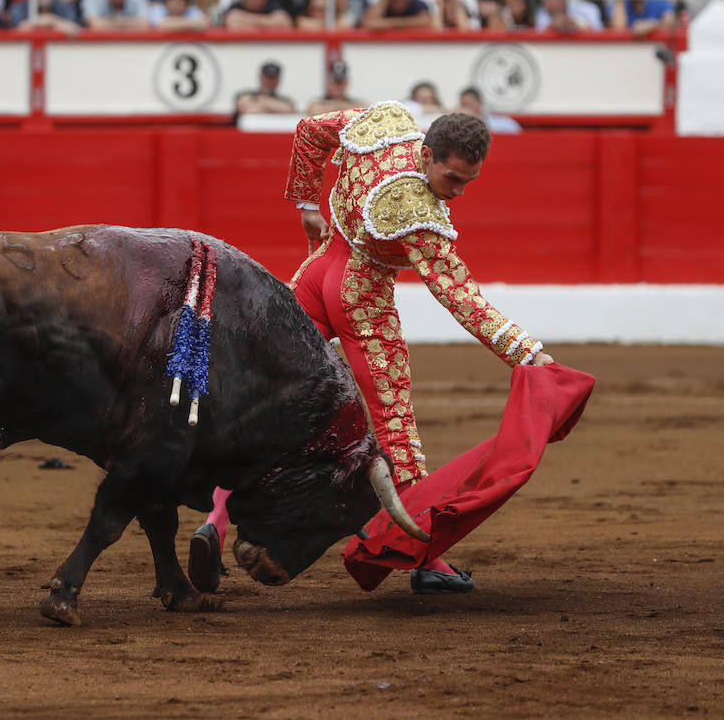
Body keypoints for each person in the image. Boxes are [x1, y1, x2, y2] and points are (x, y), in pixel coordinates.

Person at [189, 107, 553, 596]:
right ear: (426, 155)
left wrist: (305, 203)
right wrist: (525, 353)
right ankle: (427, 560)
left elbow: (310, 131)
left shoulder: (383, 123)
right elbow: (459, 297)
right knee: (394, 427)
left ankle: (215, 520)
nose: (457, 191)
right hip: (361, 298)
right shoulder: (415, 210)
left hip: (316, 276)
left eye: (468, 182)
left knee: (263, 400)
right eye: (451, 177)